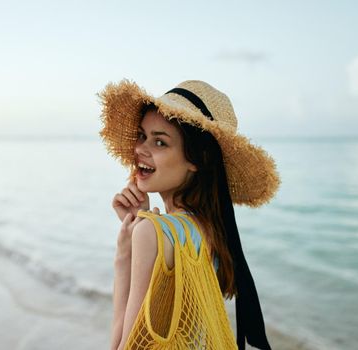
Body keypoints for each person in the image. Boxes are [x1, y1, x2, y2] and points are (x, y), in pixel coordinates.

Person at [99, 79, 281, 350]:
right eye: (141, 136)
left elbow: (126, 345)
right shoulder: (213, 232)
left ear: (198, 159)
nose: (139, 149)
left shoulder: (152, 232)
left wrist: (125, 252)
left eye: (160, 142)